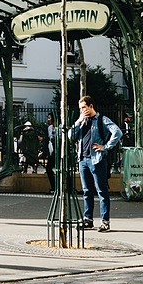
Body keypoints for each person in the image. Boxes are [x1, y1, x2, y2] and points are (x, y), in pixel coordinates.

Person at [68, 96, 122, 233]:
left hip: (97, 160)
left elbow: (117, 132)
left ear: (91, 106)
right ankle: (88, 220)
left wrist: (106, 146)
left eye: (84, 108)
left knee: (101, 191)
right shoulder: (82, 122)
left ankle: (105, 222)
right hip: (83, 160)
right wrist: (79, 121)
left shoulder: (102, 120)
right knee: (87, 191)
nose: (82, 111)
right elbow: (70, 136)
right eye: (80, 109)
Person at [45, 113, 56, 192]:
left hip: (59, 149)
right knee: (48, 168)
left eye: (49, 118)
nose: (48, 119)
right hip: (52, 150)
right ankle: (54, 186)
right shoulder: (49, 128)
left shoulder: (60, 127)